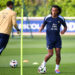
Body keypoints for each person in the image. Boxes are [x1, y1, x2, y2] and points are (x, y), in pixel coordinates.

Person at [38, 5, 67, 74]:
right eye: (52, 10)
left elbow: (65, 27)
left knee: (58, 54)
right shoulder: (47, 18)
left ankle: (57, 68)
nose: (53, 12)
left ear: (58, 11)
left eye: (55, 10)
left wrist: (63, 31)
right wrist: (41, 28)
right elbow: (43, 24)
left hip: (57, 39)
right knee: (50, 54)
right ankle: (43, 64)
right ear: (51, 10)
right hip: (49, 39)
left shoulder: (61, 18)